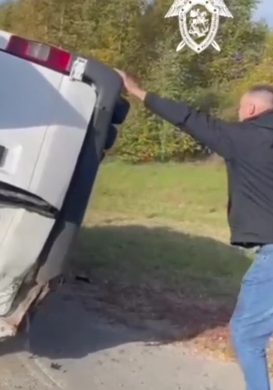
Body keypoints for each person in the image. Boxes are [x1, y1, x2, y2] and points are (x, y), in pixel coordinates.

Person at [116, 70, 273, 390]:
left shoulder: (245, 137)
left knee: (246, 333)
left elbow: (189, 118)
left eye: (242, 110)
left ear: (253, 110)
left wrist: (137, 90)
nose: (239, 116)